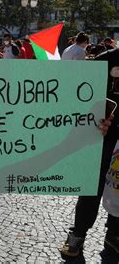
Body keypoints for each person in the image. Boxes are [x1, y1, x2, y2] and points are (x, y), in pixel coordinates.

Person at [61, 47, 119, 261]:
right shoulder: (104, 60)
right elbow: (80, 97)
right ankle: (78, 234)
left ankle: (114, 233)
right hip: (102, 138)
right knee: (91, 187)